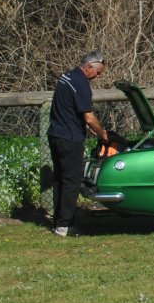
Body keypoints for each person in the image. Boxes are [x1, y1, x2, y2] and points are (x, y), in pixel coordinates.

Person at [47, 51, 110, 237]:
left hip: (55, 134)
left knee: (60, 178)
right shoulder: (81, 84)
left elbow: (69, 108)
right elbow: (89, 117)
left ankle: (58, 221)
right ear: (89, 67)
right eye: (97, 73)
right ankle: (65, 226)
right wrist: (102, 133)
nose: (97, 77)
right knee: (72, 181)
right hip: (70, 139)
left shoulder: (67, 76)